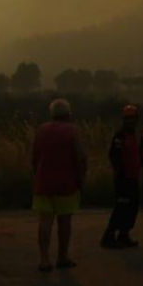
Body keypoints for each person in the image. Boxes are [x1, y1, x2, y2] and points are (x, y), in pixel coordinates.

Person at [32, 98, 88, 271]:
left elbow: (34, 158)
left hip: (43, 182)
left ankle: (43, 259)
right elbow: (81, 158)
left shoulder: (41, 130)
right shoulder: (73, 131)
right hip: (66, 183)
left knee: (45, 222)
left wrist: (38, 175)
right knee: (65, 222)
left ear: (52, 114)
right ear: (69, 114)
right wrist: (81, 179)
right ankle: (62, 257)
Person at [102, 103, 142, 248]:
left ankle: (124, 235)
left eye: (133, 118)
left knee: (133, 207)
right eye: (128, 118)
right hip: (123, 179)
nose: (131, 121)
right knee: (121, 208)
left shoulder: (132, 135)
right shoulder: (120, 135)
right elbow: (114, 156)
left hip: (133, 178)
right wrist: (121, 173)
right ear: (124, 119)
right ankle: (108, 237)